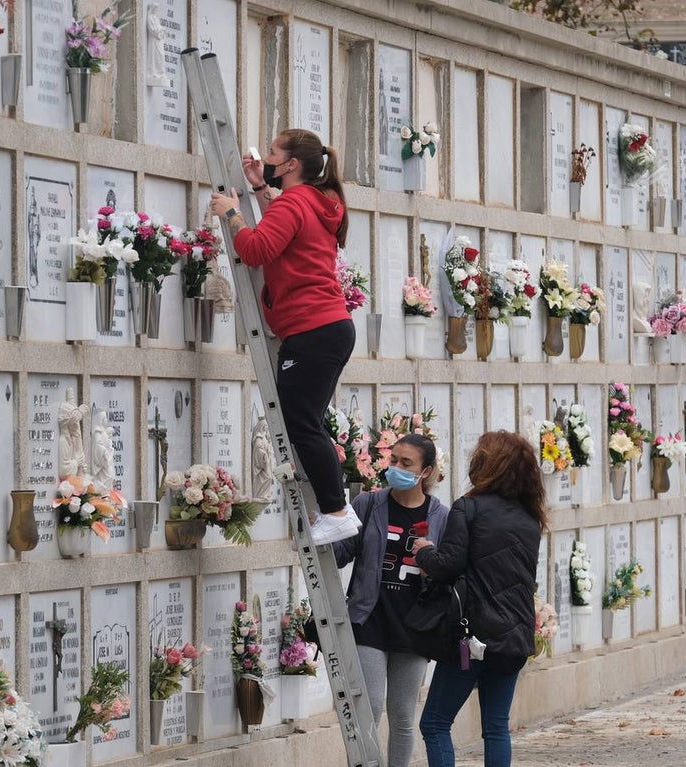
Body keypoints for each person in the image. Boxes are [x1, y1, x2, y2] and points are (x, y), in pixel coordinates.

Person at [210, 129, 358, 545]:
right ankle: (335, 507)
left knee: (301, 423)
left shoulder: (294, 202)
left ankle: (335, 509)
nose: (267, 156)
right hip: (327, 327)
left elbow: (257, 250)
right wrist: (259, 186)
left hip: (312, 329)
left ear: (291, 164)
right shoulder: (315, 201)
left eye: (273, 153)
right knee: (305, 421)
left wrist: (231, 212)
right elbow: (286, 227)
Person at [411, 430, 547, 767]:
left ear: (487, 465)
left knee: (435, 723)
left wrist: (425, 551)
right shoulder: (531, 518)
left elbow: (447, 566)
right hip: (514, 638)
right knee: (496, 728)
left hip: (472, 638)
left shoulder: (469, 508)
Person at [333, 434, 449, 767]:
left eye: (406, 463)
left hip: (415, 627)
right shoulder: (369, 505)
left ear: (426, 471)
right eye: (393, 460)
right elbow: (341, 554)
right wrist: (316, 533)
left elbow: (448, 569)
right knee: (368, 709)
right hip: (369, 619)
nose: (395, 467)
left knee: (402, 718)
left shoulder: (441, 515)